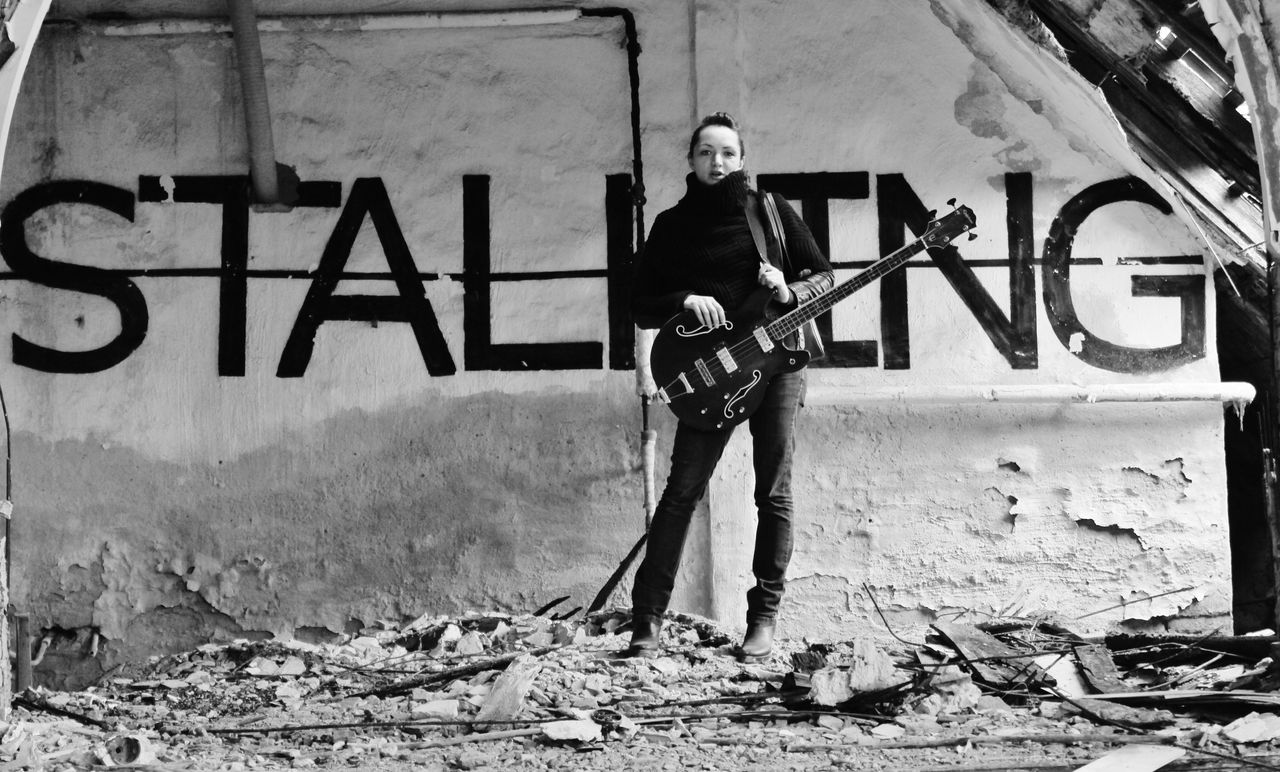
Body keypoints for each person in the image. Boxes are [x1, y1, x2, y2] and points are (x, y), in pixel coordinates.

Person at [628, 112, 834, 662]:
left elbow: (824, 278)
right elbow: (637, 303)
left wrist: (787, 290)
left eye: (726, 153)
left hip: (779, 363)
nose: (716, 162)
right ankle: (646, 619)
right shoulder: (672, 226)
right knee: (680, 494)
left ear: (741, 160)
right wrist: (682, 300)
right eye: (705, 153)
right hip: (710, 374)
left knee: (773, 490)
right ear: (690, 161)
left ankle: (762, 621)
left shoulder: (770, 212)